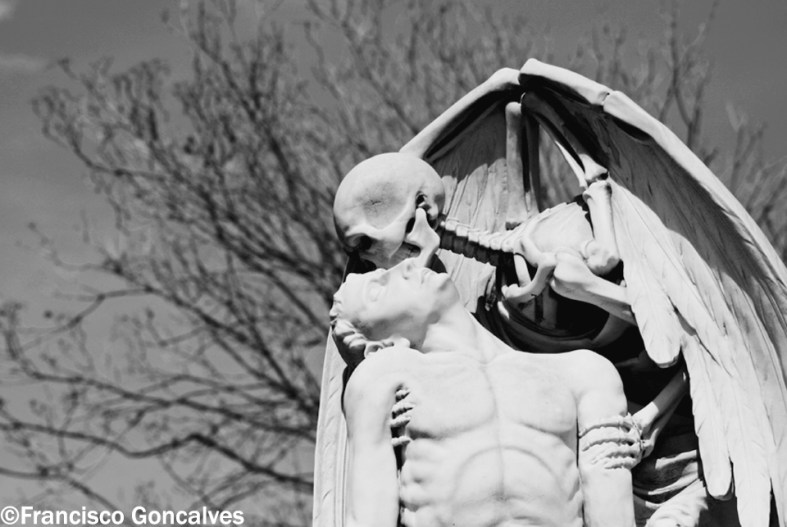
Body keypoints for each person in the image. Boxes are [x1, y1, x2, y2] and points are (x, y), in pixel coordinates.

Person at [330, 259, 639, 527]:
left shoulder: (583, 372)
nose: (406, 267)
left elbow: (611, 505)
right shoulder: (387, 375)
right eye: (377, 290)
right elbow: (369, 518)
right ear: (381, 346)